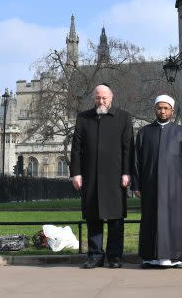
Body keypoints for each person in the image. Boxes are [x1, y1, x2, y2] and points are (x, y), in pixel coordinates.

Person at [70, 84, 134, 269]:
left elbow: (128, 148)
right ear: (94, 98)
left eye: (104, 97)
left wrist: (127, 172)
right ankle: (95, 255)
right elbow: (76, 148)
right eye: (98, 97)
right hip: (90, 176)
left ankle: (114, 256)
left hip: (115, 177)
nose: (101, 101)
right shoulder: (83, 118)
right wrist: (76, 173)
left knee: (115, 219)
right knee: (93, 217)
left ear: (111, 98)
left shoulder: (123, 117)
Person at [131, 95, 182, 268]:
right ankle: (150, 257)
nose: (162, 111)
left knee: (175, 221)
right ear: (155, 109)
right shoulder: (145, 132)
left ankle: (175, 258)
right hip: (150, 186)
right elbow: (136, 161)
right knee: (151, 220)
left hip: (176, 186)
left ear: (172, 110)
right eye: (159, 108)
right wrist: (136, 185)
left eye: (166, 108)